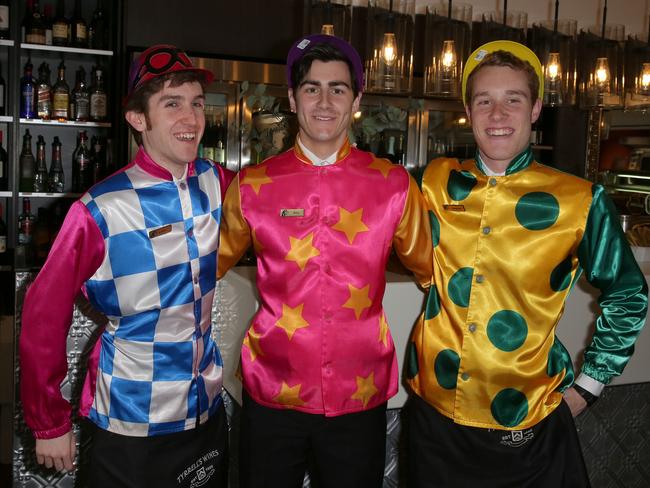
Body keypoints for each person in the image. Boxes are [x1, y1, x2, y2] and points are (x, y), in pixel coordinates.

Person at [406, 40, 648, 487]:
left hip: (526, 428)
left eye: (512, 100)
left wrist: (589, 387)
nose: (497, 115)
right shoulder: (431, 183)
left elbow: (628, 293)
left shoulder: (580, 200)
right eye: (485, 101)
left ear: (535, 108)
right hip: (433, 421)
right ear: (468, 109)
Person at [217, 34, 432, 488]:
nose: (325, 100)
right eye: (312, 88)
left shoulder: (394, 185)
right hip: (273, 392)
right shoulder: (252, 185)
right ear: (293, 99)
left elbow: (432, 270)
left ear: (357, 99)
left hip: (360, 395)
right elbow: (203, 268)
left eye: (338, 88)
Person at [20, 44, 233, 488]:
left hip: (205, 410)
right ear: (138, 119)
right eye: (171, 104)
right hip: (131, 421)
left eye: (196, 103)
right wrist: (49, 422)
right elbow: (43, 313)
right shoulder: (99, 208)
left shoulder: (218, 181)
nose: (191, 118)